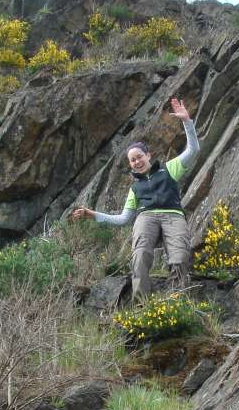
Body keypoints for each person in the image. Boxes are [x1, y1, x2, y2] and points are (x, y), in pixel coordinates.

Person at [72, 97, 200, 300]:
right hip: (146, 217)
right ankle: (142, 303)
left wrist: (186, 121)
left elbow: (193, 150)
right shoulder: (135, 188)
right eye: (132, 160)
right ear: (130, 165)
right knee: (140, 256)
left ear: (148, 155)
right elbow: (123, 219)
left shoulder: (169, 169)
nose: (137, 162)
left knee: (179, 256)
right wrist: (92, 214)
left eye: (139, 156)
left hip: (173, 215)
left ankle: (178, 299)